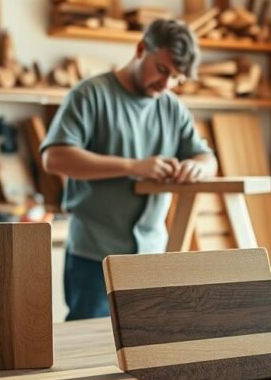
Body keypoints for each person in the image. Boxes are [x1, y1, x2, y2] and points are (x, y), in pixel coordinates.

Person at [41, 19, 218, 321]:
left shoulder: (171, 107)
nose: (166, 85)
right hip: (94, 255)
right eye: (162, 70)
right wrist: (134, 167)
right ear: (140, 49)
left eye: (176, 78)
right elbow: (54, 158)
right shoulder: (90, 95)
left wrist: (196, 168)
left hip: (151, 256)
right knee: (89, 348)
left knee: (150, 347)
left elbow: (207, 159)